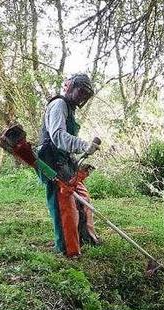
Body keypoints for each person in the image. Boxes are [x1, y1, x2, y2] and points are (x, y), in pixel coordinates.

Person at [37, 73, 100, 257]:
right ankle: (67, 249)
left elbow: (66, 144)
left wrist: (77, 155)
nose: (82, 97)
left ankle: (85, 237)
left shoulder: (71, 110)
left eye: (85, 95)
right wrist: (83, 145)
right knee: (64, 205)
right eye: (80, 92)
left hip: (65, 161)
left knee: (83, 198)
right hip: (51, 161)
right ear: (70, 87)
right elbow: (58, 137)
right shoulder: (59, 105)